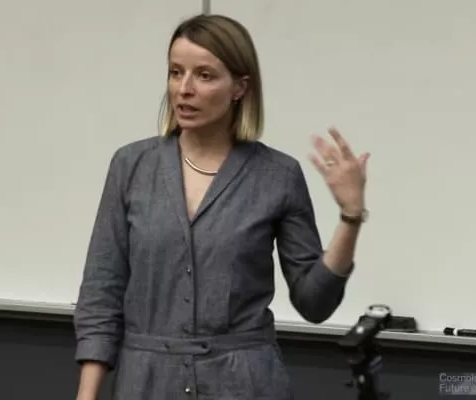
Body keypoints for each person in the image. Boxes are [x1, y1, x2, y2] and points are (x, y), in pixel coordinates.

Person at [73, 13, 369, 400]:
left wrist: (350, 217)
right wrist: (87, 395)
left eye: (204, 75)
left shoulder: (277, 175)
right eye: (176, 73)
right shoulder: (131, 167)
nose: (184, 89)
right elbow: (101, 293)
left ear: (239, 88)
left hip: (244, 383)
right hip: (146, 382)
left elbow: (315, 303)